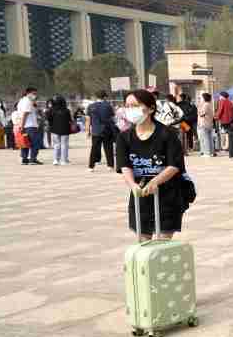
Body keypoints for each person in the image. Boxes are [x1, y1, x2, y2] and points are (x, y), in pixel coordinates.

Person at [116, 89, 185, 240]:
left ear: (151, 108)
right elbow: (124, 165)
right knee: (143, 242)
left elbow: (174, 165)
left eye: (135, 105)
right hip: (140, 196)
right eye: (127, 106)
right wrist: (132, 184)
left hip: (166, 195)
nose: (130, 110)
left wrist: (155, 182)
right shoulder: (124, 137)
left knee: (162, 244)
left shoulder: (167, 134)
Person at [87, 91, 117, 172]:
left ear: (96, 97)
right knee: (108, 148)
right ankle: (110, 166)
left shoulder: (91, 106)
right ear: (104, 97)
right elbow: (112, 117)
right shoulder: (108, 106)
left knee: (94, 148)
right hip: (107, 129)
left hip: (96, 130)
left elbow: (88, 119)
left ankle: (91, 166)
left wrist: (88, 131)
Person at [16, 86, 42, 165]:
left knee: (25, 142)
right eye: (33, 93)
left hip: (24, 125)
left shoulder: (21, 101)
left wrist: (21, 126)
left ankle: (24, 159)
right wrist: (22, 126)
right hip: (30, 126)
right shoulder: (27, 101)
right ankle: (33, 159)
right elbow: (25, 114)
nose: (35, 95)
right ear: (28, 93)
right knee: (35, 143)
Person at [47, 96, 74, 165]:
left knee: (56, 145)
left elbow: (49, 119)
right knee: (64, 145)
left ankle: (56, 160)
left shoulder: (52, 110)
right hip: (65, 129)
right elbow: (70, 120)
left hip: (54, 129)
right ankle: (64, 160)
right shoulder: (66, 110)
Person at [197, 92, 216, 157]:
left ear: (204, 98)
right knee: (209, 138)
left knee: (205, 139)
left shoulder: (205, 105)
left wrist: (199, 109)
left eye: (201, 98)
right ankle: (211, 152)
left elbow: (201, 114)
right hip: (209, 123)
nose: (200, 99)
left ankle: (207, 153)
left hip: (204, 123)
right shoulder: (209, 104)